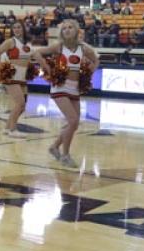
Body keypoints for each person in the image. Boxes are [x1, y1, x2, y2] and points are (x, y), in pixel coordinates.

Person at [34, 19, 99, 167]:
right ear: (61, 32)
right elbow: (37, 53)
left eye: (70, 27)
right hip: (60, 87)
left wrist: (89, 73)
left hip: (75, 88)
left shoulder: (84, 48)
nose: (67, 30)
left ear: (76, 31)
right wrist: (46, 68)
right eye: (64, 28)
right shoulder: (59, 46)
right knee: (73, 121)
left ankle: (54, 147)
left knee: (74, 124)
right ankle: (65, 155)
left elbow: (96, 61)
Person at [0, 20, 32, 138]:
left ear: (23, 29)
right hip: (12, 75)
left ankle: (7, 128)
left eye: (19, 27)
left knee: (23, 105)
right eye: (14, 28)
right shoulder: (10, 41)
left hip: (22, 77)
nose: (16, 29)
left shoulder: (27, 44)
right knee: (19, 103)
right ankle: (12, 129)